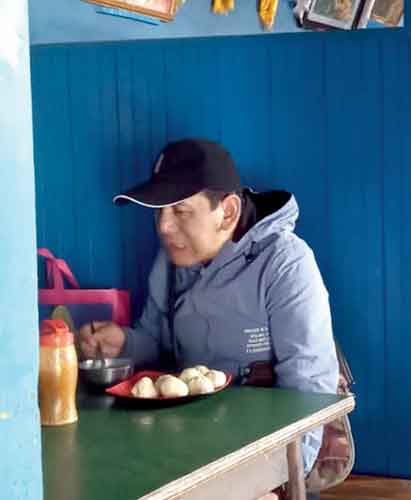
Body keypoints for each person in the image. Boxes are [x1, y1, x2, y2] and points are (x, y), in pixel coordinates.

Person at [78, 138, 339, 487]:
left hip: (265, 462)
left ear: (228, 212)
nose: (163, 227)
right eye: (159, 211)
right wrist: (123, 343)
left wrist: (283, 485)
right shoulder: (170, 263)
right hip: (188, 450)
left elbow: (310, 394)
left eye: (180, 211)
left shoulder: (285, 264)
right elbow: (157, 343)